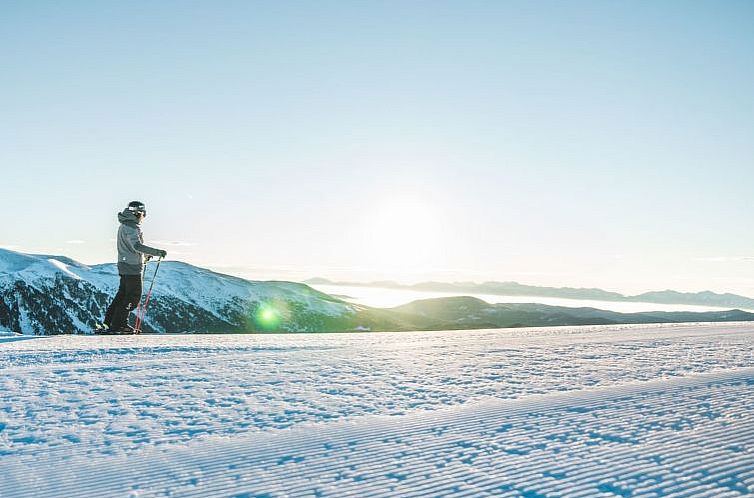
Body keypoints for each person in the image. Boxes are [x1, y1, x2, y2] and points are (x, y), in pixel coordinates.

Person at [103, 201, 167, 334]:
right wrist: (157, 252)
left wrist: (145, 255)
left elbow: (131, 248)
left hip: (125, 264)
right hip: (131, 267)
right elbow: (136, 246)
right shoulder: (131, 227)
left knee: (122, 295)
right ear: (138, 213)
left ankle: (109, 323)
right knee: (132, 298)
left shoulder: (125, 225)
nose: (143, 217)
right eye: (143, 214)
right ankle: (119, 325)